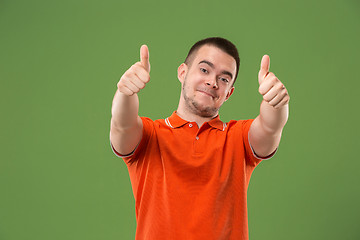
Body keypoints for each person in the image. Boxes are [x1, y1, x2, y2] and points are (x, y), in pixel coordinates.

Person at [109, 37, 289, 240]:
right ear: (183, 73)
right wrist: (125, 93)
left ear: (228, 93)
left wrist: (276, 102)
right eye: (205, 70)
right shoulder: (149, 136)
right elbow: (121, 123)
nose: (212, 82)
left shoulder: (238, 138)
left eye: (224, 79)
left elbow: (270, 126)